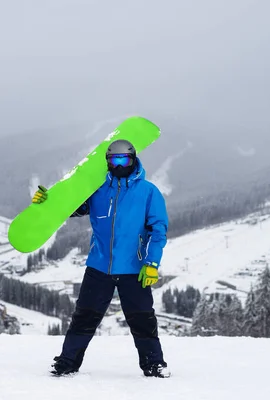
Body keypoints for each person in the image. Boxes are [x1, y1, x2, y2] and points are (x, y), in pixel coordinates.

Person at [31, 139, 170, 378]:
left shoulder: (148, 192)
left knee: (142, 319)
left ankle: (154, 364)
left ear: (133, 159)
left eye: (123, 159)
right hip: (99, 266)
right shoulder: (97, 190)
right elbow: (70, 207)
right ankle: (67, 363)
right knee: (84, 317)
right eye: (113, 160)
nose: (118, 165)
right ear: (107, 162)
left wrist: (151, 263)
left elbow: (158, 231)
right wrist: (48, 202)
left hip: (133, 269)